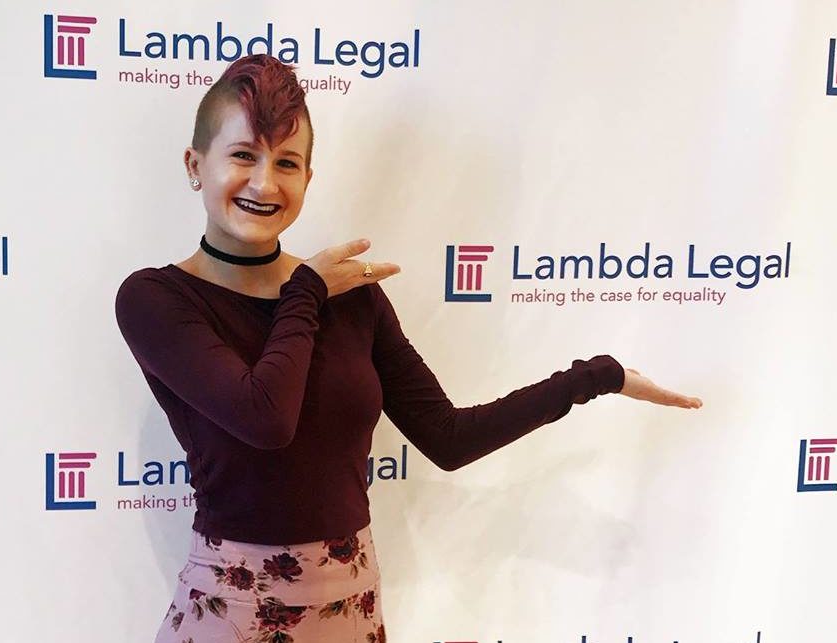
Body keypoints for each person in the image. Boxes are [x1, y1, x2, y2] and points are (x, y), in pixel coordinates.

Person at [115, 54, 702, 643]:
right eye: (243, 155)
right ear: (196, 165)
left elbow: (448, 438)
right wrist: (307, 291)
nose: (265, 183)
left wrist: (595, 376)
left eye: (286, 162)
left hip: (350, 602)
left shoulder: (352, 298)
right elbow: (266, 416)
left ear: (307, 180)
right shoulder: (157, 298)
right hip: (231, 608)